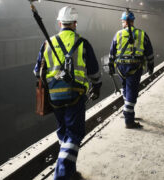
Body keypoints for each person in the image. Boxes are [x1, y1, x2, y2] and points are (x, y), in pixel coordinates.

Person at [34, 6, 102, 180]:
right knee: (74, 134)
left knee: (63, 132)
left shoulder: (47, 43)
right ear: (75, 23)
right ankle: (62, 174)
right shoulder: (82, 42)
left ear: (59, 23)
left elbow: (36, 72)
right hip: (75, 95)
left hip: (54, 97)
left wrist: (55, 73)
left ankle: (69, 170)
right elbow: (93, 71)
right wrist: (97, 85)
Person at [108, 11, 154, 129]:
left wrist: (111, 66)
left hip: (120, 68)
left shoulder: (118, 34)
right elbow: (149, 52)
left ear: (123, 22)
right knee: (132, 93)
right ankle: (129, 120)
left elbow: (112, 53)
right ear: (133, 21)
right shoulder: (142, 34)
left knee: (125, 90)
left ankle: (128, 112)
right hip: (134, 67)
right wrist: (151, 66)